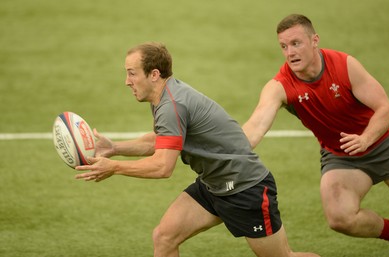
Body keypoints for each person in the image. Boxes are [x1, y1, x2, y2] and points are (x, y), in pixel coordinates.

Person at [74, 42, 320, 257]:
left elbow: (162, 166)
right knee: (164, 236)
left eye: (131, 73)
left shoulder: (172, 104)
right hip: (214, 185)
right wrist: (114, 148)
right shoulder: (165, 96)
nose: (127, 81)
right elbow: (160, 141)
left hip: (245, 189)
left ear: (154, 74)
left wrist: (114, 167)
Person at [242, 14, 389, 249]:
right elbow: (256, 126)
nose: (289, 52)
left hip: (385, 141)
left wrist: (366, 139)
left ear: (314, 40)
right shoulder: (280, 86)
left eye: (296, 43)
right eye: (283, 47)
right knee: (340, 217)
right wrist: (226, 151)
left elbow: (386, 110)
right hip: (341, 155)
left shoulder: (344, 65)